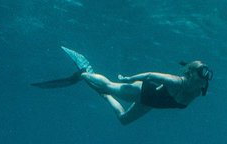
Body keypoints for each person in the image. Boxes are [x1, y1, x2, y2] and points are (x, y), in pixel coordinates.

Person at [33, 48, 212, 125]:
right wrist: (128, 79)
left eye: (207, 75)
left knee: (124, 120)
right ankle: (84, 72)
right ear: (191, 74)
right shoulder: (178, 81)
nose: (206, 78)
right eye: (202, 73)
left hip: (151, 103)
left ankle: (104, 95)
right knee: (109, 85)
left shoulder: (199, 89)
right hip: (142, 91)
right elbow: (151, 75)